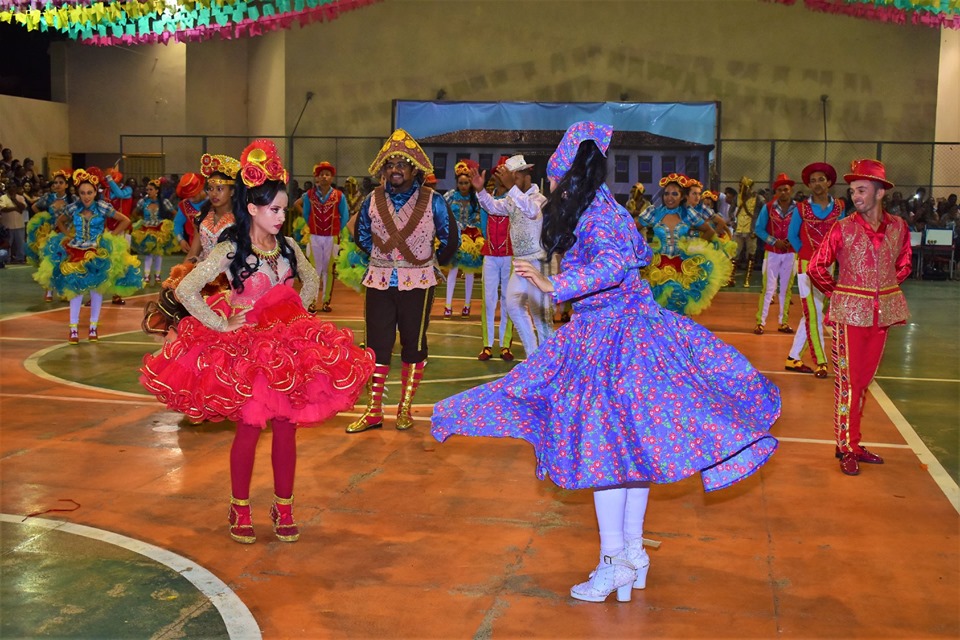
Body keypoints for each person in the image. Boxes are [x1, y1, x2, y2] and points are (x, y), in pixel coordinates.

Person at [431, 121, 780, 603]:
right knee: (629, 450)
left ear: (567, 179)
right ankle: (631, 555)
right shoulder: (598, 210)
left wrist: (558, 286)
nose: (550, 190)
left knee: (604, 453)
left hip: (618, 341)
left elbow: (614, 265)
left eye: (554, 180)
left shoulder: (598, 213)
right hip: (616, 336)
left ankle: (614, 559)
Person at [140, 139, 375, 542]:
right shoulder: (232, 249)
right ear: (253, 208)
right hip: (247, 351)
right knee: (249, 428)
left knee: (287, 428)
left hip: (287, 350)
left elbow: (314, 279)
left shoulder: (289, 247)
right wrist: (222, 323)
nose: (283, 216)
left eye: (284, 209)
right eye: (275, 210)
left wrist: (295, 311)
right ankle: (240, 507)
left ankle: (284, 508)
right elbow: (187, 290)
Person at [346, 129, 457, 433]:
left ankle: (404, 407)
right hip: (379, 281)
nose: (395, 169)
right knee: (376, 346)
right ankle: (373, 410)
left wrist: (427, 262)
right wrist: (383, 256)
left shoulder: (434, 201)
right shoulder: (372, 199)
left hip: (418, 283)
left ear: (414, 170)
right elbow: (362, 233)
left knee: (413, 344)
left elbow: (450, 239)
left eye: (402, 164)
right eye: (389, 164)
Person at [807, 159, 911, 476]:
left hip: (881, 316)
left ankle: (854, 441)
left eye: (862, 190)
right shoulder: (842, 228)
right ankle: (845, 446)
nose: (855, 196)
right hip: (849, 315)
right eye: (853, 191)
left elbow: (904, 264)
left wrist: (883, 288)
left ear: (880, 193)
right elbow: (816, 266)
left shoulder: (898, 228)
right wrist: (840, 293)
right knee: (847, 383)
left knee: (863, 382)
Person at [33, 169, 142, 343]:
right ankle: (73, 329)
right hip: (75, 250)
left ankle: (93, 328)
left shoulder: (102, 206)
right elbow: (59, 221)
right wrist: (67, 234)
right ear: (78, 193)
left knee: (96, 291)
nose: (86, 196)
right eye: (83, 193)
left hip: (97, 253)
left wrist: (111, 236)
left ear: (95, 192)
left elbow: (125, 220)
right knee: (74, 290)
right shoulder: (73, 207)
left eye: (89, 192)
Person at [143, 155, 238, 337]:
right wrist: (180, 275)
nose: (214, 194)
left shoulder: (241, 221)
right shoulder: (202, 216)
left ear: (232, 191)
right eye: (210, 188)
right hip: (201, 276)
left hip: (229, 281)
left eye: (220, 188)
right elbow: (195, 250)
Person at [470, 154, 554, 356]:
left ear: (527, 176)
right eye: (510, 179)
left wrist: (511, 188)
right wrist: (481, 191)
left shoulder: (539, 200)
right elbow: (493, 208)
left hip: (539, 263)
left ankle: (549, 359)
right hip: (522, 264)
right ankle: (533, 355)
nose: (511, 183)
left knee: (541, 316)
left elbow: (531, 211)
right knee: (513, 305)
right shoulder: (512, 199)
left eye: (515, 178)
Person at [635, 173, 730, 316]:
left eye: (674, 194)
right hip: (656, 269)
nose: (670, 197)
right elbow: (631, 230)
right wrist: (640, 247)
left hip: (683, 268)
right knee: (657, 313)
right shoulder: (653, 212)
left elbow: (709, 231)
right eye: (666, 193)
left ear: (682, 196)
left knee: (680, 312)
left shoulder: (688, 214)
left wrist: (694, 247)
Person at [786, 162, 846, 377]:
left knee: (813, 313)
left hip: (828, 268)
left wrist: (829, 260)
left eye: (821, 179)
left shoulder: (839, 207)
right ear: (809, 185)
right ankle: (821, 361)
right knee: (812, 313)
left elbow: (842, 237)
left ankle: (793, 358)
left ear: (829, 182)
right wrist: (809, 256)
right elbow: (792, 236)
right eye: (813, 181)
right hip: (805, 266)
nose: (817, 184)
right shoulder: (801, 208)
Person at [293, 161, 349, 313]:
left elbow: (344, 215)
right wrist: (310, 222)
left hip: (332, 237)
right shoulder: (309, 195)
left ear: (332, 177)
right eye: (322, 174)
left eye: (327, 174)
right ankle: (311, 302)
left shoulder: (339, 196)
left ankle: (326, 302)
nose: (324, 177)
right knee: (314, 270)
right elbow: (304, 211)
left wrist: (337, 230)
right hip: (315, 236)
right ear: (317, 177)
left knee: (329, 270)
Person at [476, 156, 514, 361]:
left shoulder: (515, 198)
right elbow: (483, 224)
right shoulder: (486, 198)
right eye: (498, 171)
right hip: (490, 254)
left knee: (508, 299)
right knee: (488, 299)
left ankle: (505, 345)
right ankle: (487, 344)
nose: (500, 176)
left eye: (504, 171)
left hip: (509, 255)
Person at [753, 173, 798, 335]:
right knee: (768, 288)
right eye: (780, 190)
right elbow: (758, 229)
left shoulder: (798, 208)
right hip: (771, 252)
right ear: (775, 192)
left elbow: (803, 229)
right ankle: (760, 322)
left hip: (791, 253)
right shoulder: (768, 208)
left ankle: (783, 322)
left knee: (786, 288)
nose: (783, 192)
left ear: (791, 190)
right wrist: (774, 241)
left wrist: (792, 241)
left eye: (786, 189)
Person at [443, 160, 485, 318]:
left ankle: (467, 305)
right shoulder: (450, 196)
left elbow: (481, 216)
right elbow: (442, 213)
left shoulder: (477, 198)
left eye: (466, 183)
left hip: (472, 238)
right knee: (452, 270)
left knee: (469, 272)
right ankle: (448, 305)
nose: (463, 186)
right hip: (455, 237)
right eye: (460, 183)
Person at [27, 169, 74, 301]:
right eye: (55, 182)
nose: (57, 185)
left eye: (61, 182)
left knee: (66, 263)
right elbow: (34, 207)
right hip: (52, 234)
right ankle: (49, 291)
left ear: (66, 185)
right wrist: (44, 220)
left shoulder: (73, 199)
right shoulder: (48, 197)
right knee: (50, 262)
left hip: (67, 234)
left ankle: (64, 291)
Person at [131, 178, 178, 285]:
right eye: (147, 190)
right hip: (146, 230)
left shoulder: (164, 202)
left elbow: (175, 213)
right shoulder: (143, 202)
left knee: (158, 254)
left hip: (160, 230)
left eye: (151, 189)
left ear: (157, 190)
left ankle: (157, 276)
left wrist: (168, 223)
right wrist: (141, 221)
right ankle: (146, 276)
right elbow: (134, 212)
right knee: (148, 253)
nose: (148, 192)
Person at [173, 172, 207, 253]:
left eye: (193, 195)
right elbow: (177, 224)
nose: (190, 199)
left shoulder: (213, 201)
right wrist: (181, 240)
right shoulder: (184, 205)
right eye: (188, 196)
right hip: (193, 246)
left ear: (200, 190)